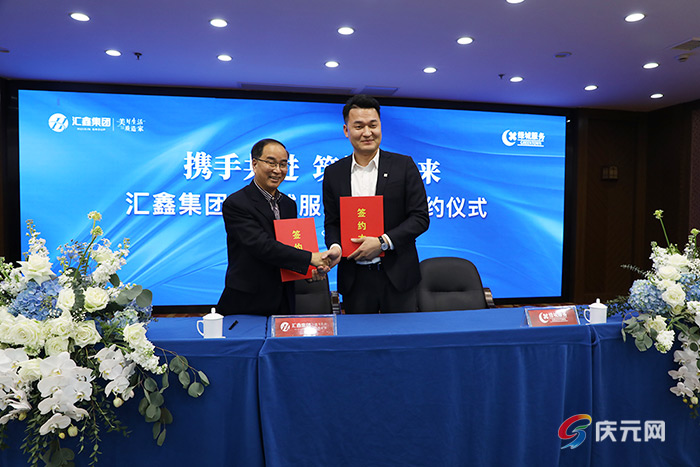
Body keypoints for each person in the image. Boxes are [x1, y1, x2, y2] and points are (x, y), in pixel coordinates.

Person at [322, 95, 429, 314]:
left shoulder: (404, 165)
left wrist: (382, 242)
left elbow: (420, 218)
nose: (367, 132)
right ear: (346, 130)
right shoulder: (333, 173)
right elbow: (332, 222)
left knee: (402, 335)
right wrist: (336, 248)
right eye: (358, 126)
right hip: (355, 278)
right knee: (358, 335)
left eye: (373, 125)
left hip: (398, 276)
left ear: (380, 126)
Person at [217, 138, 329, 316]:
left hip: (284, 297)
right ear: (255, 164)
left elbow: (291, 246)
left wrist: (310, 270)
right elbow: (262, 246)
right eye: (271, 163)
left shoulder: (288, 204)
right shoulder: (236, 203)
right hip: (248, 299)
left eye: (283, 164)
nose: (278, 170)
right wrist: (310, 258)